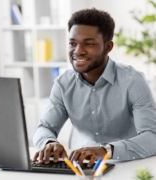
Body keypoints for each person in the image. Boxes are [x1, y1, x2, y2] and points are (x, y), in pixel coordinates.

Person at [32, 8, 156, 167]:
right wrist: (48, 142)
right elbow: (44, 127)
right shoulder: (63, 84)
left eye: (89, 44)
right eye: (72, 43)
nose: (78, 51)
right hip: (83, 167)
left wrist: (107, 150)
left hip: (128, 164)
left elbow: (152, 137)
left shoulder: (133, 81)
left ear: (108, 46)